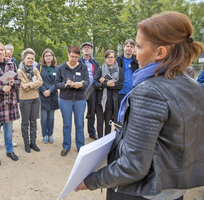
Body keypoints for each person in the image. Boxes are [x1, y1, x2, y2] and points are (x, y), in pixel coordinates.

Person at [75, 11, 204, 200]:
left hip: (141, 192)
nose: (134, 51)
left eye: (139, 46)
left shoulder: (150, 91)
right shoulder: (193, 85)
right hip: (173, 190)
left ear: (160, 52)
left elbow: (132, 166)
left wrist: (91, 181)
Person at [55, 46, 90, 156]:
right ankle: (66, 146)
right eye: (72, 56)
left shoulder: (83, 67)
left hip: (80, 99)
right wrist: (65, 85)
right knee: (67, 124)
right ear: (68, 54)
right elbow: (56, 84)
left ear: (79, 56)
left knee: (79, 124)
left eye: (76, 57)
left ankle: (80, 146)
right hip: (65, 99)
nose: (73, 59)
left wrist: (81, 84)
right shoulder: (61, 68)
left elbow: (88, 81)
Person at [93, 50, 124, 138]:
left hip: (111, 101)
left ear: (115, 58)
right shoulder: (100, 69)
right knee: (99, 123)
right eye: (108, 57)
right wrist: (106, 84)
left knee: (108, 123)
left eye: (111, 57)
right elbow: (95, 84)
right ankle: (99, 140)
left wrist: (108, 84)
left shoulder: (119, 70)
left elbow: (120, 85)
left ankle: (105, 142)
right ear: (105, 59)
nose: (110, 59)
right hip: (100, 101)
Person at [17, 48, 43, 153]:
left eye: (32, 58)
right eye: (28, 58)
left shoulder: (35, 70)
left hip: (35, 99)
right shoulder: (19, 71)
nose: (30, 60)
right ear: (24, 59)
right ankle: (26, 143)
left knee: (34, 122)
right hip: (25, 99)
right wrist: (31, 85)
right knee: (25, 122)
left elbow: (41, 82)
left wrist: (29, 84)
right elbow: (24, 86)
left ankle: (33, 142)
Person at [37, 48, 59, 144]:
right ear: (43, 57)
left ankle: (50, 134)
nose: (48, 57)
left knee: (51, 117)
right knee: (44, 117)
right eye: (46, 56)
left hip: (53, 95)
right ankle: (44, 134)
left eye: (50, 55)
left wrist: (50, 90)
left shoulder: (57, 68)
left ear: (53, 57)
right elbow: (37, 80)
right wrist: (44, 90)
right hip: (43, 95)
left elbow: (57, 82)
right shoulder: (39, 67)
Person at [78, 42, 99, 140]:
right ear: (82, 50)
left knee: (91, 112)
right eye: (85, 47)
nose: (86, 49)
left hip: (92, 90)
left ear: (91, 50)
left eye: (88, 47)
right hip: (81, 90)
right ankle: (80, 132)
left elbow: (98, 76)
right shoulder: (78, 62)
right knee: (80, 112)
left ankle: (92, 132)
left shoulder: (95, 63)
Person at [117, 39, 139, 106]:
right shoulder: (118, 60)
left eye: (131, 46)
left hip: (132, 93)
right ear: (124, 47)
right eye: (127, 46)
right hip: (120, 93)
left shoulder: (137, 61)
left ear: (134, 48)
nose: (129, 48)